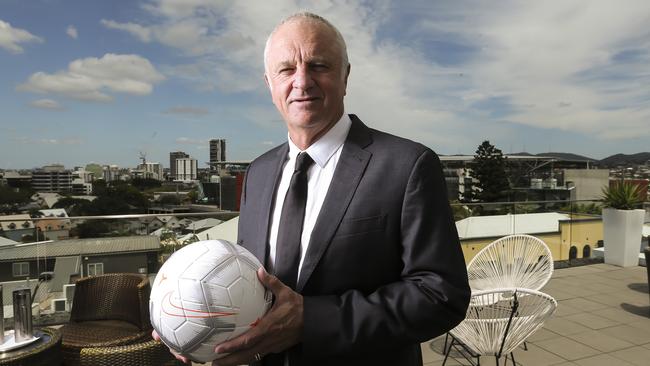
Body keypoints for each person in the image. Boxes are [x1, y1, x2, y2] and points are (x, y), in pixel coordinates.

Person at [157, 12, 470, 366]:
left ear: (345, 76)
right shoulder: (257, 173)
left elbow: (441, 294)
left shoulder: (407, 165)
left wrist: (312, 320)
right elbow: (249, 282)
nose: (302, 82)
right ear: (269, 83)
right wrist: (195, 325)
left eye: (319, 65)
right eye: (287, 69)